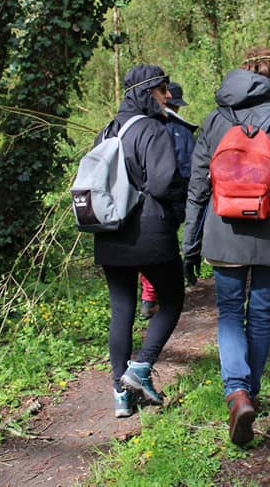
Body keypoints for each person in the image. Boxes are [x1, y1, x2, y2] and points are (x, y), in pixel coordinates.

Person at [182, 47, 270, 446]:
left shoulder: (215, 119)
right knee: (259, 316)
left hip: (223, 233)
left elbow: (198, 188)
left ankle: (236, 393)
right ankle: (248, 394)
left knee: (228, 313)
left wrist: (190, 245)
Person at [93, 64, 187, 418]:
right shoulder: (153, 130)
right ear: (149, 92)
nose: (168, 97)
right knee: (173, 299)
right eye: (163, 90)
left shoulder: (107, 130)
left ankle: (121, 394)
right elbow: (163, 184)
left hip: (108, 230)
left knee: (122, 311)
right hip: (149, 233)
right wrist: (184, 191)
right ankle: (141, 368)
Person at [140, 81, 198, 318]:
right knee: (164, 251)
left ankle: (149, 297)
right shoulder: (182, 133)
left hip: (141, 202)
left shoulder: (144, 126)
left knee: (145, 249)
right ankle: (156, 297)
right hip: (171, 201)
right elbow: (190, 170)